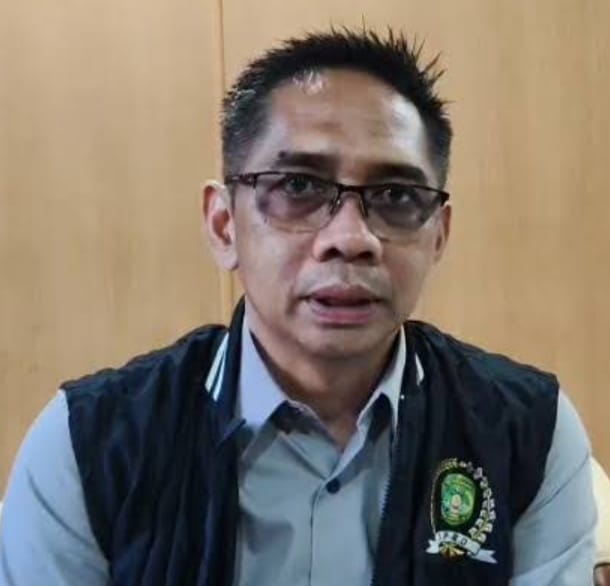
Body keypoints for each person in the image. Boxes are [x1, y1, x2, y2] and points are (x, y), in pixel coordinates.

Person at [0, 27, 597, 586]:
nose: (351, 238)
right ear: (224, 224)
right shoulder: (88, 444)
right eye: (299, 187)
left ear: (437, 235)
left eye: (395, 194)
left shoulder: (527, 433)